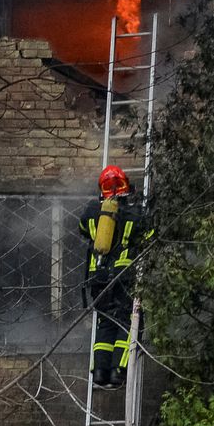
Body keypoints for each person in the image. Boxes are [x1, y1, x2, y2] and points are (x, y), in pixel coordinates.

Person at [79, 164, 152, 390]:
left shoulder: (92, 213)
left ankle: (100, 372)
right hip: (123, 277)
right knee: (126, 322)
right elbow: (149, 234)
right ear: (125, 186)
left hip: (98, 280)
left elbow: (82, 229)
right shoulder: (134, 212)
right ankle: (120, 370)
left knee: (105, 323)